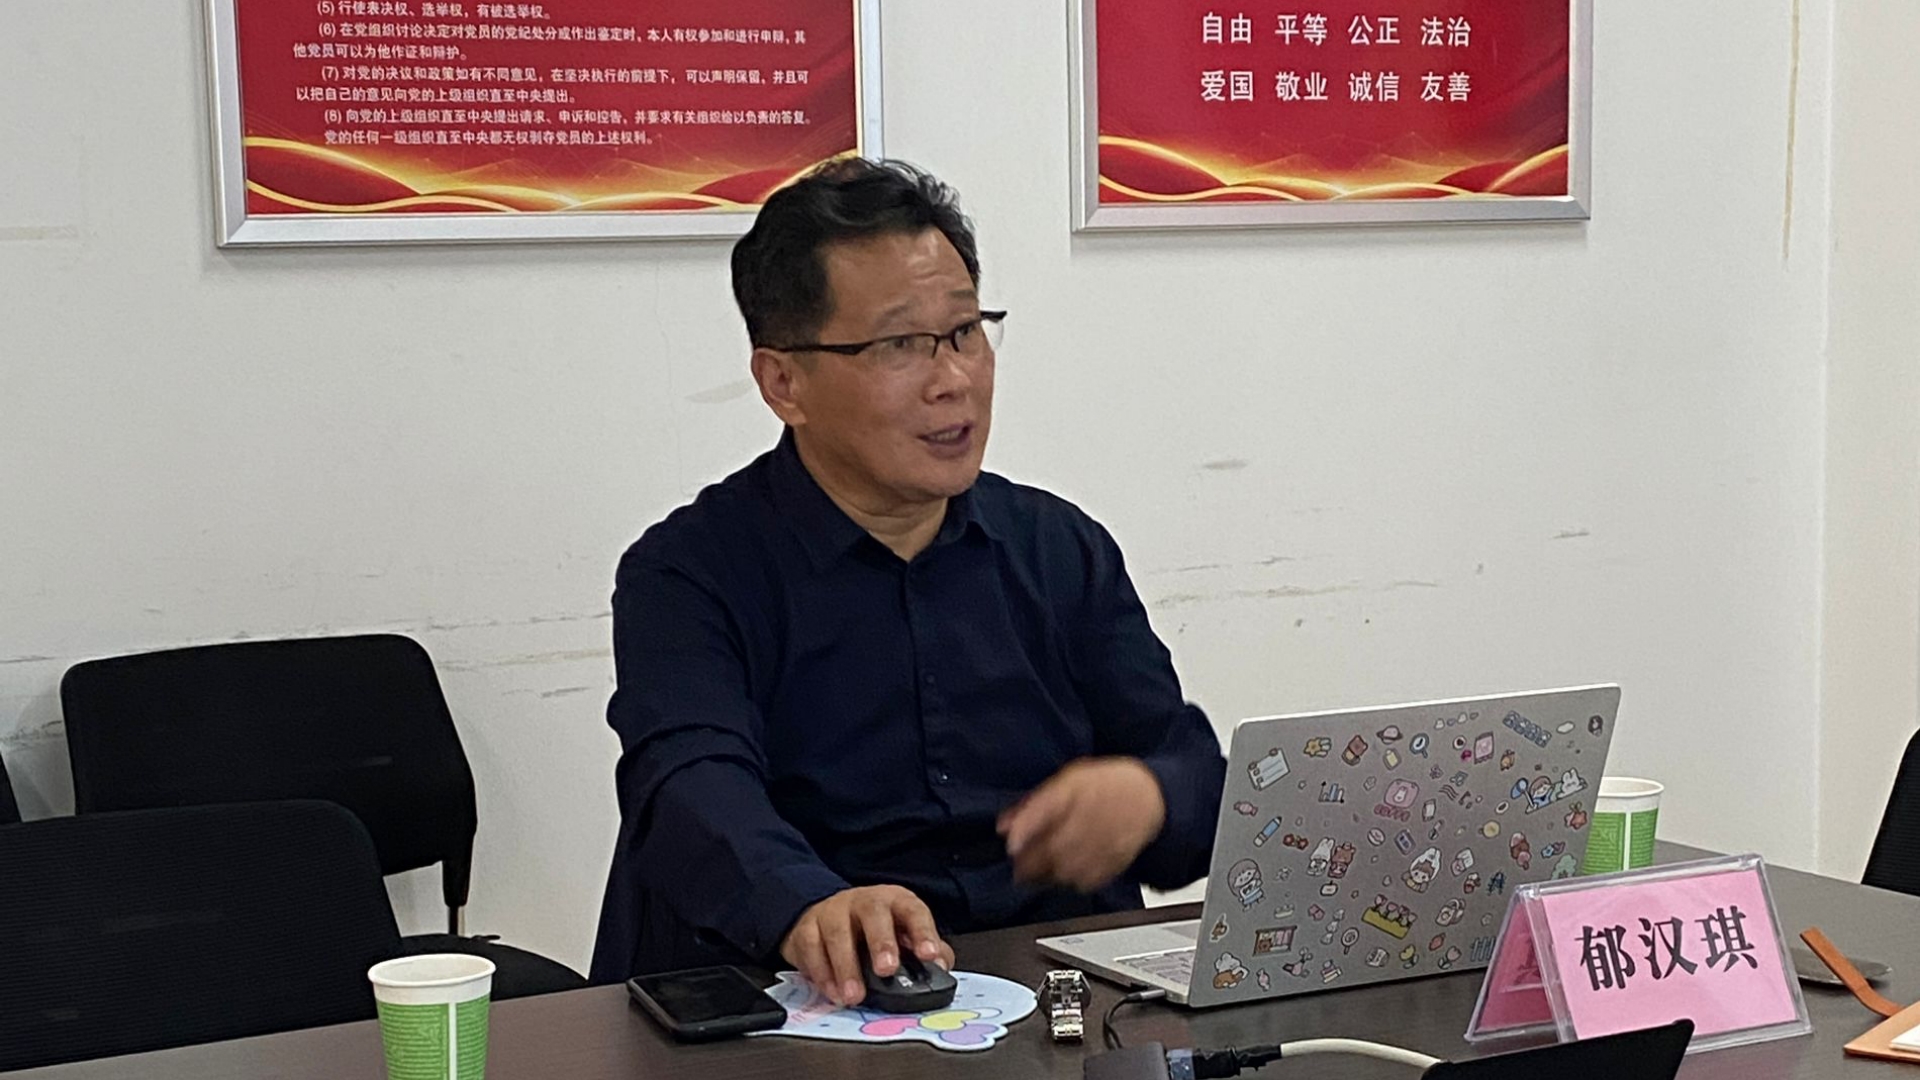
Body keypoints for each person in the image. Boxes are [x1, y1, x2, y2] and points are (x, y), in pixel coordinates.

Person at [589, 159, 1226, 1005]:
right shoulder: (687, 574)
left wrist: (1151, 797)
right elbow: (690, 784)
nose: (951, 380)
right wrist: (807, 903)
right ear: (784, 383)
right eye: (898, 346)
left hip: (1046, 1009)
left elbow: (1191, 767)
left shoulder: (1059, 550)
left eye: (964, 332)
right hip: (800, 1006)